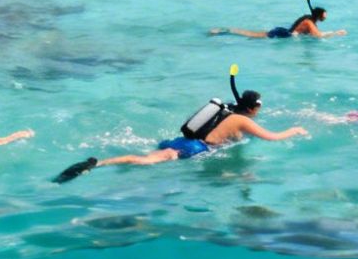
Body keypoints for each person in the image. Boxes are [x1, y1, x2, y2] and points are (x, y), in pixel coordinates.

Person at [56, 69, 306, 180]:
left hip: (182, 141)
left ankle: (97, 163)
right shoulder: (243, 120)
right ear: (254, 108)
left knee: (153, 155)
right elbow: (272, 137)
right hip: (195, 150)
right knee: (148, 161)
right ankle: (97, 165)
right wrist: (294, 129)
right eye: (259, 108)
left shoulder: (228, 111)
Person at [211, 0, 347, 39]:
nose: (326, 17)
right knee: (252, 35)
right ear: (319, 15)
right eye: (325, 15)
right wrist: (336, 33)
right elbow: (318, 36)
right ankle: (224, 31)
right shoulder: (309, 23)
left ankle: (225, 31)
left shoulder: (309, 19)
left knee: (253, 35)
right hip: (283, 35)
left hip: (283, 32)